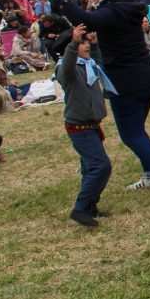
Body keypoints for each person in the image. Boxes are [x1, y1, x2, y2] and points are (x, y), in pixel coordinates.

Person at [51, 0, 150, 201]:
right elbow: (104, 25)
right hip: (148, 76)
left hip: (127, 81)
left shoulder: (113, 9)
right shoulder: (128, 2)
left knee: (131, 134)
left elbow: (87, 22)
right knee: (137, 129)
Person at [56, 24, 113, 228]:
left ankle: (90, 207)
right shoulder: (66, 70)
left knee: (90, 168)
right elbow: (68, 65)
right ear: (70, 48)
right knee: (101, 166)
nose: (86, 45)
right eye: (83, 43)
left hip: (91, 125)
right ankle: (80, 209)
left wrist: (95, 43)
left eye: (86, 42)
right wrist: (73, 43)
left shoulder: (89, 66)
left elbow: (99, 60)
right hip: (79, 127)